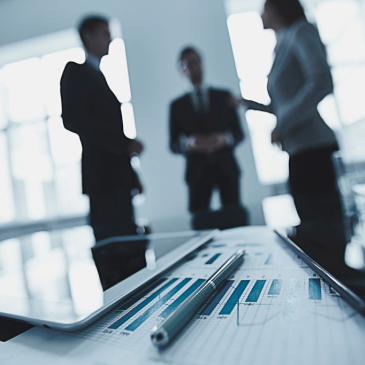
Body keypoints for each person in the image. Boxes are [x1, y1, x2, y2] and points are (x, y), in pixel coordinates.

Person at [237, 0, 342, 226]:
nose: (260, 15)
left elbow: (321, 81)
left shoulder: (300, 32)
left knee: (322, 231)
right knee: (312, 228)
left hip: (313, 148)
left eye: (264, 9)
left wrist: (281, 124)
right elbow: (283, 103)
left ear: (276, 9)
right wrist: (250, 104)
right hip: (299, 149)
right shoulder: (282, 44)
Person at [61, 16, 144, 241]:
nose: (111, 38)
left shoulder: (98, 75)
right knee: (114, 250)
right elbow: (73, 119)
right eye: (105, 33)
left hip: (117, 179)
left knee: (128, 247)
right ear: (88, 36)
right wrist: (125, 144)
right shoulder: (76, 71)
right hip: (103, 180)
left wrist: (132, 174)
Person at [169, 47, 247, 229]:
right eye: (187, 64)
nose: (192, 67)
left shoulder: (224, 96)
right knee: (200, 226)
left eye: (195, 62)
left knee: (235, 221)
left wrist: (224, 139)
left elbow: (238, 133)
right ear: (181, 70)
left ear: (202, 64)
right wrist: (189, 144)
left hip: (226, 169)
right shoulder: (177, 106)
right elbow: (173, 144)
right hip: (197, 173)